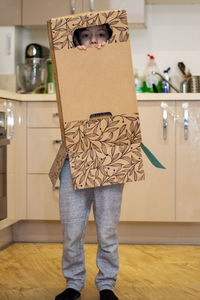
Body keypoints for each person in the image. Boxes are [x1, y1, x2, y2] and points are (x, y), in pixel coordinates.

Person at [55, 24, 123, 300]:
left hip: (111, 156)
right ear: (75, 40)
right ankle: (73, 283)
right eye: (85, 35)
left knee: (107, 230)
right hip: (74, 156)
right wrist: (77, 63)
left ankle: (106, 285)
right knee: (72, 230)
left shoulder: (119, 69)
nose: (93, 41)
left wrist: (108, 62)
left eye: (101, 35)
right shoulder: (68, 70)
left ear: (111, 38)